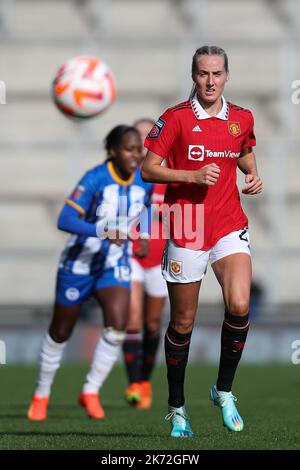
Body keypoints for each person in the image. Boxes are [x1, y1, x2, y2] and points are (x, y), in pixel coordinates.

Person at [141, 45, 263, 437]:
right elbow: (149, 169)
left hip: (229, 224)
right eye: (202, 74)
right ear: (193, 76)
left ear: (227, 75)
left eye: (216, 73)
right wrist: (191, 177)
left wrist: (252, 175)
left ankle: (223, 391)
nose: (209, 81)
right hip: (187, 225)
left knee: (240, 306)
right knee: (182, 322)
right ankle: (177, 408)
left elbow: (242, 152)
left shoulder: (241, 117)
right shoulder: (175, 118)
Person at [27, 125, 153, 421]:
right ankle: (42, 394)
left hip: (113, 264)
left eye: (139, 149)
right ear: (112, 151)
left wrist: (144, 234)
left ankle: (91, 390)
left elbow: (144, 207)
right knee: (60, 331)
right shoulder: (95, 179)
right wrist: (101, 230)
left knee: (118, 325)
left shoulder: (144, 180)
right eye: (129, 149)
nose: (137, 155)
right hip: (79, 264)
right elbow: (65, 218)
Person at [122, 119, 168, 409]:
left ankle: (146, 380)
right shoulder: (125, 176)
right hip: (130, 252)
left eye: (146, 135)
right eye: (136, 136)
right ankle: (134, 384)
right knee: (133, 319)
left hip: (161, 256)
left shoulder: (167, 171)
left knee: (153, 324)